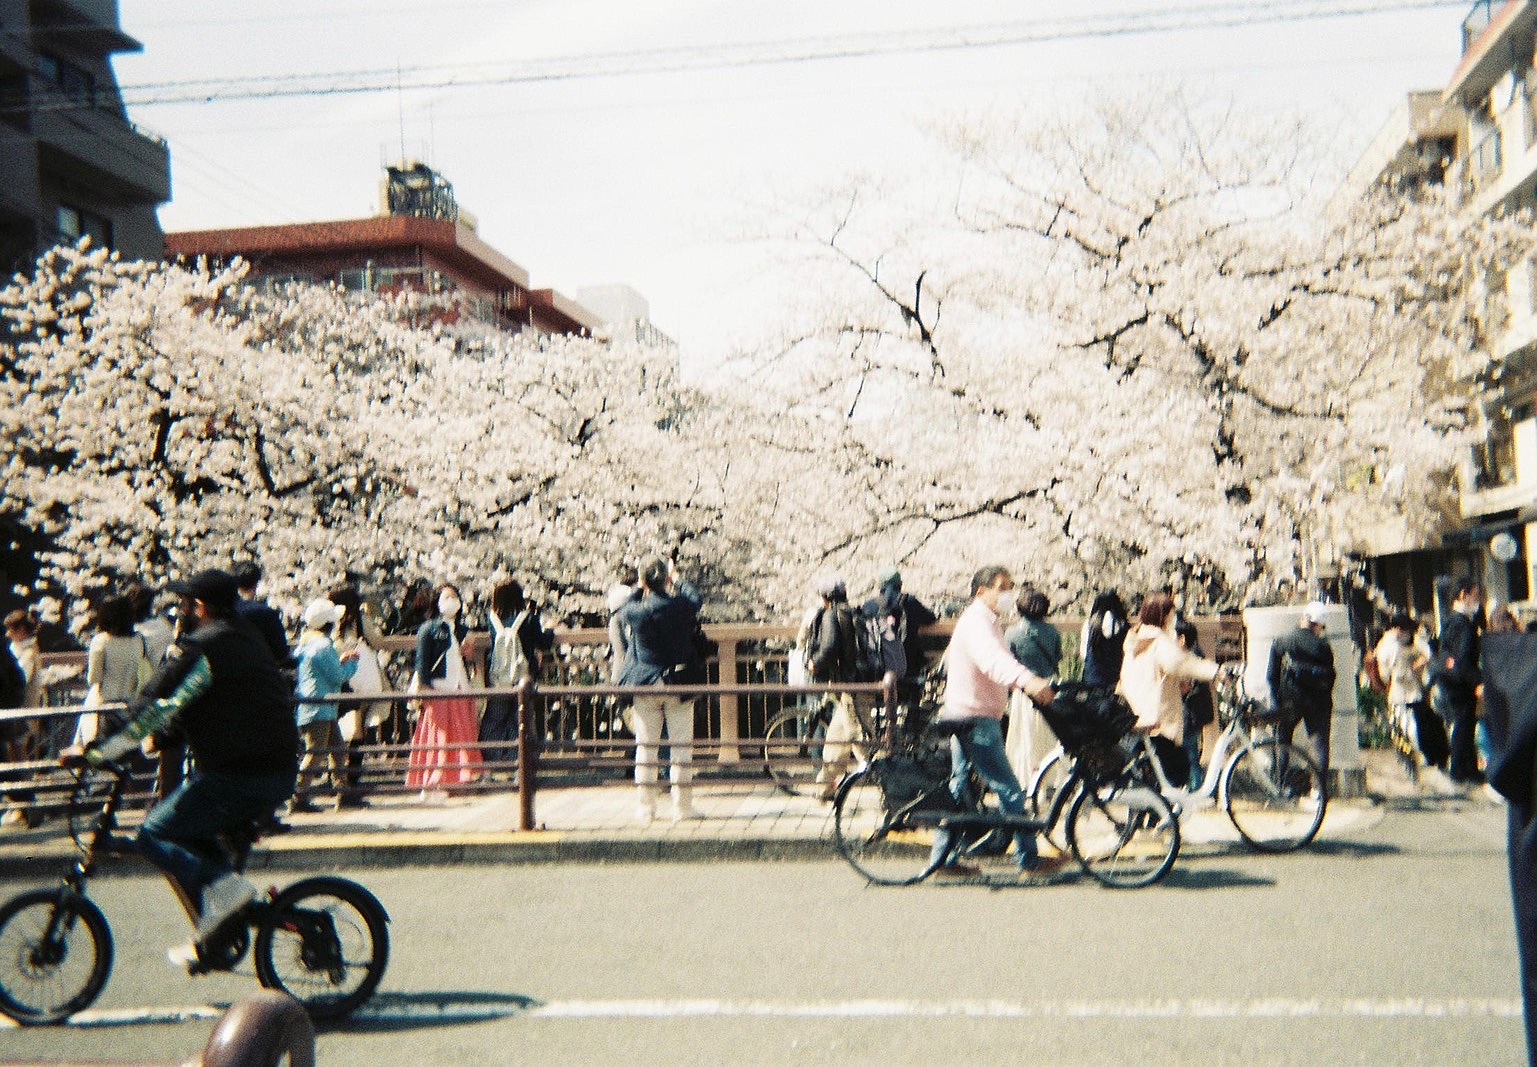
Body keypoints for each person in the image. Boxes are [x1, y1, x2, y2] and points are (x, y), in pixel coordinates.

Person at [75, 568, 299, 967]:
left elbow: (155, 700)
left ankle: (225, 895)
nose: (181, 611)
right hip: (266, 767)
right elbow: (192, 701)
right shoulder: (243, 637)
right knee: (190, 837)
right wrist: (165, 737)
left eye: (185, 604)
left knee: (153, 833)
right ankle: (217, 932)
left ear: (200, 607)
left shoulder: (202, 647)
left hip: (242, 774)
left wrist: (97, 751)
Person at [928, 565, 1065, 879]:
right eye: (1002, 587)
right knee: (1010, 790)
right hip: (975, 718)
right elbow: (993, 662)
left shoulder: (986, 622)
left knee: (960, 789)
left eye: (1010, 587)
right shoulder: (978, 623)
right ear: (981, 592)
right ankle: (1029, 861)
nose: (1008, 594)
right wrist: (1029, 681)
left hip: (966, 713)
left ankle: (942, 862)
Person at [615, 557, 704, 824]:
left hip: (646, 683)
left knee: (646, 748)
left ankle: (647, 809)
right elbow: (696, 599)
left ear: (644, 582)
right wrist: (677, 578)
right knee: (681, 748)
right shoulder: (679, 607)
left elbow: (623, 607)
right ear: (665, 579)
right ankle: (683, 807)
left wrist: (640, 587)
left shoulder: (636, 612)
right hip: (678, 682)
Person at [1120, 593, 1224, 791]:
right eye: (1171, 614)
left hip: (1135, 713)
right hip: (1158, 719)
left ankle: (1148, 813)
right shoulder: (1159, 642)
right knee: (1176, 771)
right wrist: (1214, 671)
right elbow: (1182, 663)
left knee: (1150, 775)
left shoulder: (1135, 639)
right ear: (1164, 616)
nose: (1173, 620)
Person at [406, 582, 484, 797]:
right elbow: (422, 663)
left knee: (461, 734)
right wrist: (424, 688)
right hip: (439, 688)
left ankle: (459, 779)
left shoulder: (462, 630)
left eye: (454, 597)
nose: (452, 602)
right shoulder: (428, 629)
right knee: (437, 737)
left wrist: (469, 652)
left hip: (459, 685)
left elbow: (465, 659)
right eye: (446, 597)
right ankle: (433, 780)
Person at [291, 598, 358, 813]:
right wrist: (353, 663)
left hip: (316, 707)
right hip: (320, 707)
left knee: (337, 750)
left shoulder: (308, 644)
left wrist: (342, 660)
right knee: (316, 754)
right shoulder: (322, 646)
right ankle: (298, 796)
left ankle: (343, 793)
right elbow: (337, 676)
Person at [479, 578, 554, 767]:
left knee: (494, 721)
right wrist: (551, 630)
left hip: (498, 679)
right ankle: (520, 764)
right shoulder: (527, 618)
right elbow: (543, 642)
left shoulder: (492, 619)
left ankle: (492, 762)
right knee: (521, 722)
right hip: (523, 679)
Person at [806, 573, 866, 801]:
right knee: (836, 741)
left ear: (825, 596)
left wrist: (815, 662)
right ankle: (825, 791)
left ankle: (894, 790)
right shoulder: (853, 612)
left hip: (850, 687)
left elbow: (830, 647)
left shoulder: (831, 614)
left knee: (861, 742)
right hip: (852, 686)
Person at [328, 583, 386, 807]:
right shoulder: (359, 620)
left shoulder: (329, 622)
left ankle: (341, 781)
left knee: (340, 730)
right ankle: (350, 781)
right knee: (356, 730)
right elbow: (378, 642)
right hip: (360, 680)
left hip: (338, 678)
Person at [1265, 600, 1336, 781]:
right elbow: (1331, 676)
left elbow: (1271, 675)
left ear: (1304, 617)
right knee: (1319, 745)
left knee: (1283, 740)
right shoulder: (1323, 646)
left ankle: (1281, 782)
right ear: (1319, 625)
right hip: (1319, 702)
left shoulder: (1283, 640)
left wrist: (1275, 701)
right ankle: (1319, 792)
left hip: (1290, 699)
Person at [861, 570, 937, 736]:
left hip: (878, 671)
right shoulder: (909, 602)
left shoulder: (869, 606)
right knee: (917, 689)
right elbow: (931, 618)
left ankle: (881, 733)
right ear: (900, 585)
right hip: (908, 670)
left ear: (879, 586)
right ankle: (910, 732)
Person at [1003, 586, 1062, 786]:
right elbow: (1056, 657)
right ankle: (1052, 779)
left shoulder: (1012, 633)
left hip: (1024, 691)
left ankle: (1028, 780)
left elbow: (1008, 663)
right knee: (1049, 738)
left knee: (1025, 738)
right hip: (1049, 689)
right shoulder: (1052, 632)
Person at [1433, 578, 1484, 787]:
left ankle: (1467, 769)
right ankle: (1460, 770)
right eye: (1475, 594)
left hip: (1450, 681)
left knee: (1464, 725)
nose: (1478, 599)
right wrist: (1477, 682)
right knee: (1464, 726)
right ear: (1463, 595)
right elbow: (1463, 659)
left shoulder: (1449, 621)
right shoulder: (1463, 624)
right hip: (1460, 683)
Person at [78, 594, 147, 743]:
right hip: (129, 702)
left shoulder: (101, 641)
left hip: (105, 704)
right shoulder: (139, 640)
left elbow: (94, 678)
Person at [1175, 618, 1216, 791]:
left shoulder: (1189, 657)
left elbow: (1185, 687)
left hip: (1190, 713)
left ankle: (1196, 788)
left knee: (1190, 753)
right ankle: (1196, 786)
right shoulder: (1196, 652)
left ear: (1182, 638)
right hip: (1197, 712)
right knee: (1192, 752)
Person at [232, 561, 295, 673]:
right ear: (256, 584)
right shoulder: (265, 613)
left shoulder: (221, 610)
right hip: (259, 675)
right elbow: (281, 652)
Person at [1079, 591, 1128, 688]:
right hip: (1116, 680)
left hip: (1092, 679)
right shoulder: (1122, 624)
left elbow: (1084, 655)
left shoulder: (1089, 625)